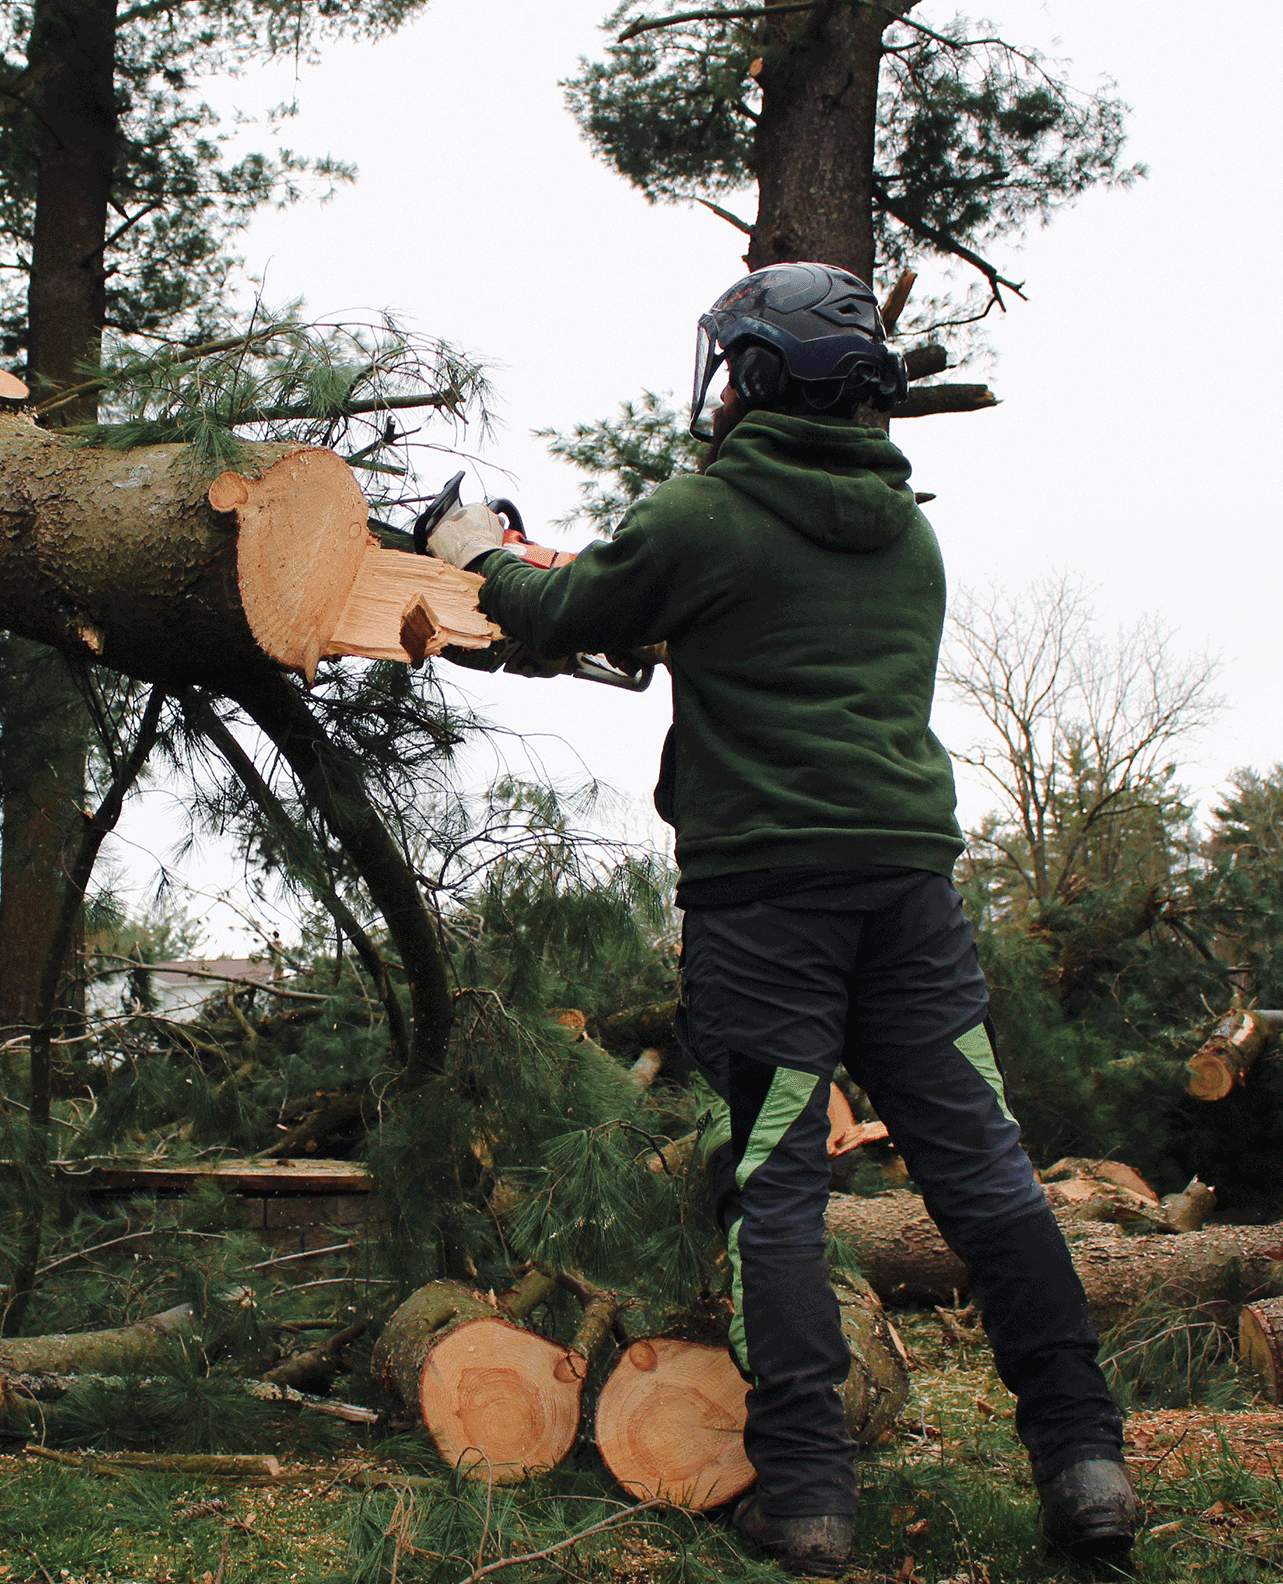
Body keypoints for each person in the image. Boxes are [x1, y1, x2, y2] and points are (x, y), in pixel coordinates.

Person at [425, 261, 1140, 1577]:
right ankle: (1084, 1462)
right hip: (908, 897)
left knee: (778, 1183)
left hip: (765, 904)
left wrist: (474, 551)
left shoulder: (702, 516)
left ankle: (806, 1495)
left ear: (749, 377)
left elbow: (563, 611)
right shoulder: (906, 532)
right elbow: (710, 618)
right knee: (982, 1170)